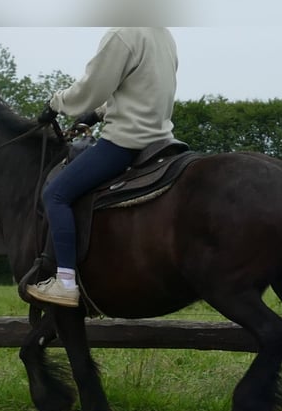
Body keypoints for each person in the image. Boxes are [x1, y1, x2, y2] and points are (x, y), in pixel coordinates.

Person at [25, 27, 179, 307]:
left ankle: (66, 283)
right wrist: (97, 114)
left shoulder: (123, 33)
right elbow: (143, 90)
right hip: (161, 140)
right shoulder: (162, 34)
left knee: (56, 194)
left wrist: (55, 103)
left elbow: (90, 89)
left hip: (126, 141)